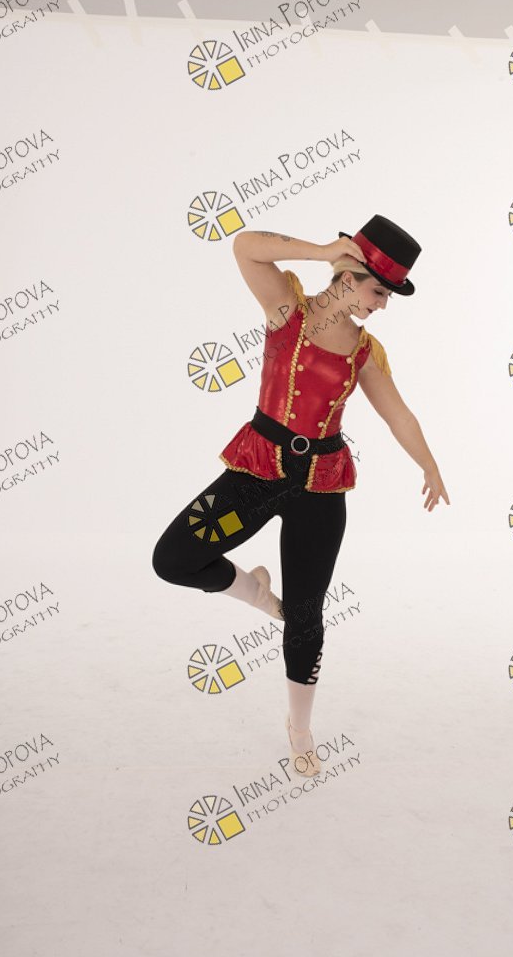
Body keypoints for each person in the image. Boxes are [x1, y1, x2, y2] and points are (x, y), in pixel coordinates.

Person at [152, 215, 449, 777]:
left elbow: (399, 416)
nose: (382, 305)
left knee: (307, 615)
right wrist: (321, 249)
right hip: (256, 474)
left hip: (320, 487)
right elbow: (245, 246)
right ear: (349, 275)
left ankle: (301, 729)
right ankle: (260, 596)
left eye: (387, 297)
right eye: (379, 292)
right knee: (173, 559)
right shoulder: (286, 307)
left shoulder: (365, 353)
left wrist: (429, 465)